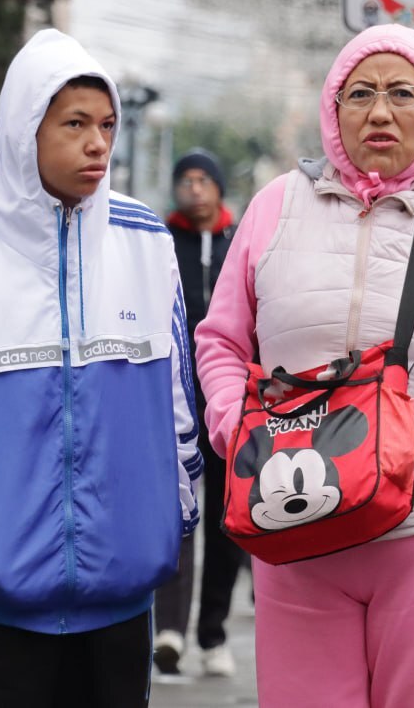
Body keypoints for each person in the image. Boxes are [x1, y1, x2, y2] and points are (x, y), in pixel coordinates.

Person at [193, 23, 414, 708]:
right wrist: (232, 425)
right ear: (332, 111)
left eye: (402, 93)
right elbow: (219, 340)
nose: (380, 112)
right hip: (295, 519)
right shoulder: (275, 208)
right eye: (359, 93)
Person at [0, 28, 203, 708]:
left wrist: (170, 510)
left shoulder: (146, 243)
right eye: (75, 123)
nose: (97, 143)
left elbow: (178, 397)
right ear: (25, 128)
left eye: (108, 125)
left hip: (120, 602)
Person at [152, 149, 246, 679]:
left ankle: (214, 634)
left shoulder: (239, 242)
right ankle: (169, 629)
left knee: (227, 524)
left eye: (202, 179)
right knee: (174, 514)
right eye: (184, 180)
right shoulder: (160, 242)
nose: (193, 189)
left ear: (218, 187)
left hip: (231, 406)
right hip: (175, 404)